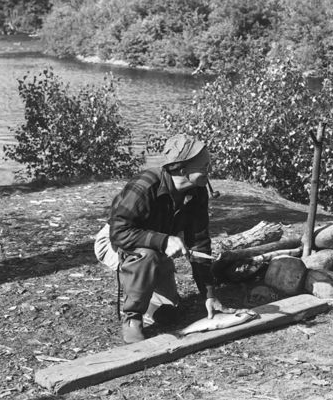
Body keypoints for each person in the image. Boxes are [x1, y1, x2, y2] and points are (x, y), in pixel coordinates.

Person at [94, 134, 233, 344]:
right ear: (182, 169)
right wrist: (164, 241)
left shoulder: (197, 192)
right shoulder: (145, 186)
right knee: (146, 256)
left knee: (170, 315)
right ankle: (132, 318)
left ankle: (149, 302)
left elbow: (199, 244)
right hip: (115, 242)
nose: (209, 170)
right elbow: (119, 232)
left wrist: (209, 295)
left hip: (156, 246)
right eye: (204, 166)